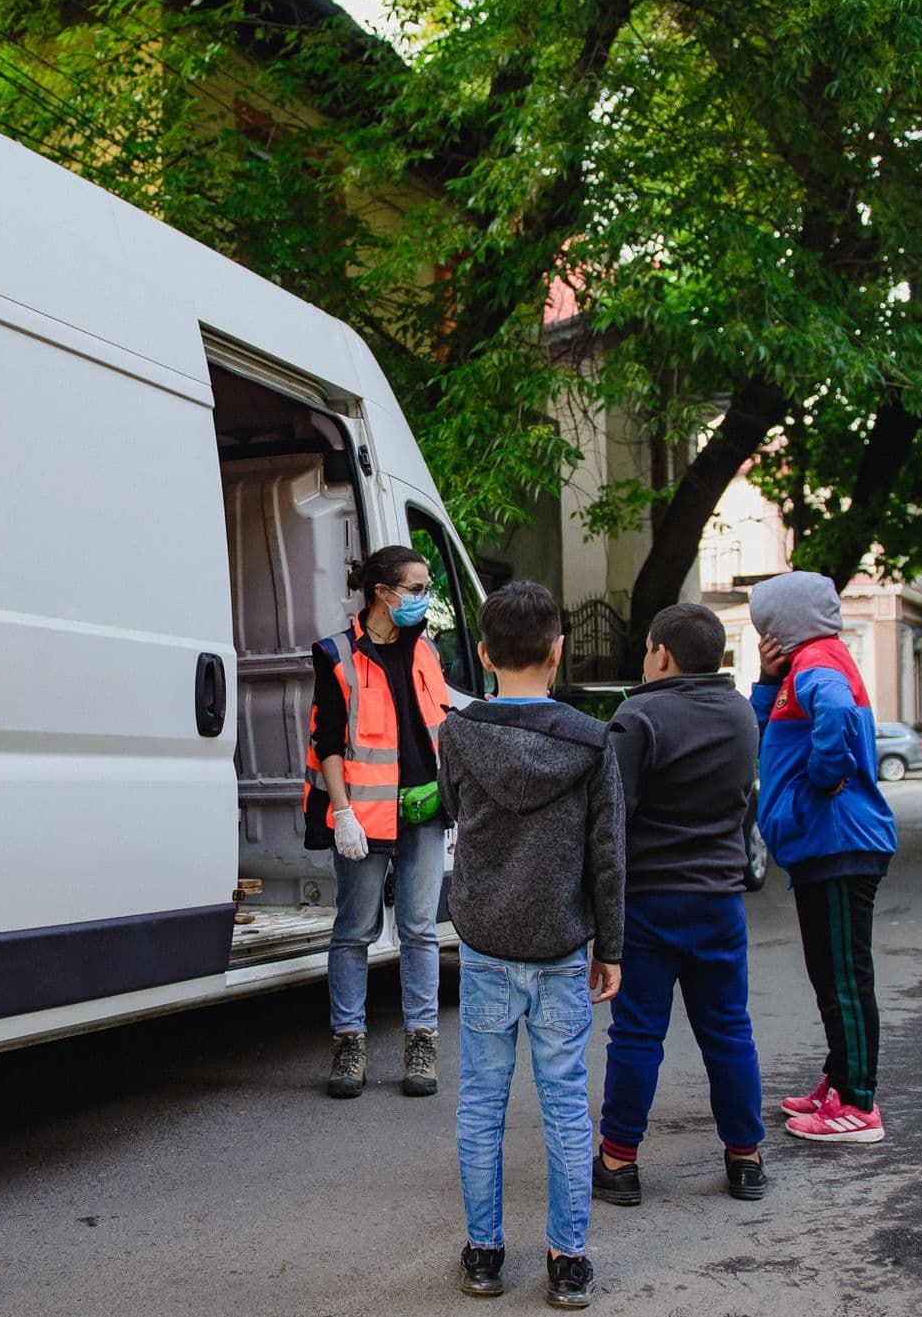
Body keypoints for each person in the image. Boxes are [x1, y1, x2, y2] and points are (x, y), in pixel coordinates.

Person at [436, 581, 623, 1310]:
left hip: (485, 939)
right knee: (566, 1106)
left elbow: (455, 809)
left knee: (481, 1102)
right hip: (560, 943)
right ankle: (568, 1260)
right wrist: (611, 943)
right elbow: (608, 850)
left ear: (483, 653)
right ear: (558, 650)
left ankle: (485, 1253)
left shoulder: (458, 733)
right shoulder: (591, 740)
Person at [592, 603, 767, 1210]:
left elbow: (612, 818)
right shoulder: (741, 713)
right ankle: (746, 1157)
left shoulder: (640, 714)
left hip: (649, 901)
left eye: (646, 648)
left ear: (661, 653)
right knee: (728, 1030)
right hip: (719, 899)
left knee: (638, 1034)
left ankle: (619, 1162)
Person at [749, 571, 898, 1144]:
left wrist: (824, 773)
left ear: (786, 624)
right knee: (829, 972)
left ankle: (857, 1104)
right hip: (823, 845)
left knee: (844, 977)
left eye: (767, 623)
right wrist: (768, 677)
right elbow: (770, 732)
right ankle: (840, 1082)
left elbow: (832, 714)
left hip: (838, 842)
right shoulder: (806, 663)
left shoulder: (818, 664)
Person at [303, 545, 451, 1099]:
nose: (424, 597)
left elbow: (441, 725)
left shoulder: (426, 649)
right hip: (363, 815)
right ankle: (348, 1043)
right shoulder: (337, 654)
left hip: (426, 810)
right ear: (383, 594)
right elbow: (327, 742)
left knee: (419, 929)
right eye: (416, 588)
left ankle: (421, 1042)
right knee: (355, 930)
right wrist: (341, 813)